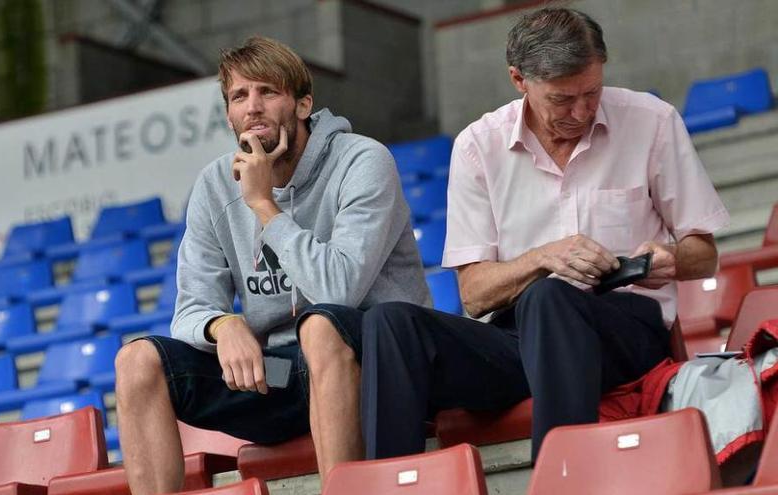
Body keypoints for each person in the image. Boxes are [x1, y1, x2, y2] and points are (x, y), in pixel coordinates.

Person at [359, 7, 730, 462]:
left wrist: (670, 258)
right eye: (561, 99)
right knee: (390, 323)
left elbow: (705, 254)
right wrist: (541, 258)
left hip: (624, 331)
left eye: (591, 93)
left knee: (548, 299)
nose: (581, 111)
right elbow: (474, 295)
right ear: (519, 80)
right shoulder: (479, 146)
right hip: (521, 337)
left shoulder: (651, 121)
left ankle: (561, 476)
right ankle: (387, 483)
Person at [114, 36, 430, 494]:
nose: (253, 107)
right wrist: (222, 325)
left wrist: (264, 205)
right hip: (281, 374)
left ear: (303, 104)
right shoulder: (213, 186)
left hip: (371, 364)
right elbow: (190, 308)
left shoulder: (362, 160)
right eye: (240, 96)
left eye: (268, 92)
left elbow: (338, 290)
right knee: (138, 360)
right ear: (228, 114)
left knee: (321, 327)